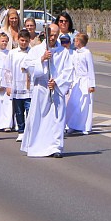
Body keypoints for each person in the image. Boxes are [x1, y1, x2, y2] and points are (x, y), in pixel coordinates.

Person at [20, 23, 73, 158]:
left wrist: (57, 82)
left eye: (56, 35)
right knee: (39, 118)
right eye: (51, 35)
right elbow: (28, 66)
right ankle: (38, 146)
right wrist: (42, 59)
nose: (53, 38)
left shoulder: (64, 52)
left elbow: (68, 71)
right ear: (46, 34)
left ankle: (55, 147)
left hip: (56, 89)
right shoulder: (37, 50)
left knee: (57, 118)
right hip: (41, 88)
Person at [66, 31, 95, 135]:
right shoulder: (75, 53)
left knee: (84, 104)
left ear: (79, 42)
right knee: (73, 103)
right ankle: (72, 124)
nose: (74, 42)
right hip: (76, 81)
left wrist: (91, 85)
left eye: (75, 40)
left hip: (85, 81)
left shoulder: (87, 53)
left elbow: (90, 69)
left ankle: (84, 126)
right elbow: (72, 68)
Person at [9, 29, 33, 140]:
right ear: (18, 40)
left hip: (29, 86)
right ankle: (21, 131)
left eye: (26, 41)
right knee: (18, 110)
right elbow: (7, 70)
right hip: (17, 85)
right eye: (22, 40)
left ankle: (30, 131)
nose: (24, 43)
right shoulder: (12, 53)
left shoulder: (32, 52)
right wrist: (8, 85)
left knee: (30, 109)